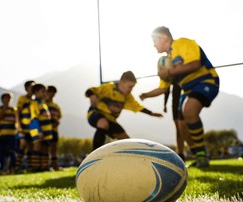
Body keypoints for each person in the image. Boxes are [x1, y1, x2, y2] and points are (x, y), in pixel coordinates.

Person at [151, 26, 220, 167]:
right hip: (187, 90)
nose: (153, 45)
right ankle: (198, 156)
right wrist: (145, 95)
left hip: (205, 81)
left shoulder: (183, 43)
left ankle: (202, 154)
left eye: (155, 40)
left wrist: (169, 72)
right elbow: (162, 88)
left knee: (189, 109)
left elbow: (195, 64)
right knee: (182, 126)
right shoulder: (165, 60)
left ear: (164, 38)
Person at [85, 71, 163, 150]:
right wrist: (92, 95)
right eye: (129, 87)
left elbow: (137, 106)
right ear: (121, 82)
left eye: (132, 87)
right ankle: (95, 154)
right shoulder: (108, 87)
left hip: (111, 120)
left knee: (127, 141)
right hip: (95, 114)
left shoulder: (127, 97)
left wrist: (151, 113)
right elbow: (90, 90)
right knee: (103, 123)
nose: (131, 90)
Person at [140, 81, 191, 162]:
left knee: (185, 128)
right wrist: (165, 104)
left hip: (186, 99)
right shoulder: (170, 76)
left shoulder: (180, 72)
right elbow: (166, 89)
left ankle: (197, 151)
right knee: (179, 129)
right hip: (175, 102)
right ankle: (181, 155)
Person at [29, 83, 53, 171]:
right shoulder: (34, 104)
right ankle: (35, 167)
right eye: (42, 91)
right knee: (37, 145)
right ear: (36, 92)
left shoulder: (44, 104)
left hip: (46, 130)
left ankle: (45, 166)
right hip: (36, 129)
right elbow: (34, 118)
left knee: (45, 147)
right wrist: (39, 130)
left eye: (45, 92)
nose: (45, 94)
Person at [15, 80, 36, 171]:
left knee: (31, 146)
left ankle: (30, 166)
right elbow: (18, 112)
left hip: (32, 127)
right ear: (26, 88)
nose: (33, 88)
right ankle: (16, 166)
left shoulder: (35, 100)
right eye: (31, 86)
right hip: (23, 127)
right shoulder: (22, 98)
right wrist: (18, 124)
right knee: (22, 144)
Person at [0, 92, 18, 174]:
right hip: (2, 134)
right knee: (2, 152)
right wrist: (5, 108)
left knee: (12, 152)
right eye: (6, 98)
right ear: (2, 99)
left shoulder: (14, 109)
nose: (8, 100)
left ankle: (11, 168)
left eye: (9, 98)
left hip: (12, 134)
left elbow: (17, 121)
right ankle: (1, 169)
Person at [45, 85, 62, 171]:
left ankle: (55, 166)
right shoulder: (44, 104)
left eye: (53, 93)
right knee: (45, 148)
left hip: (54, 130)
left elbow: (59, 117)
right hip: (45, 129)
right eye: (50, 92)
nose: (51, 94)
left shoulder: (56, 106)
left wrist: (56, 123)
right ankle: (46, 166)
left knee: (54, 148)